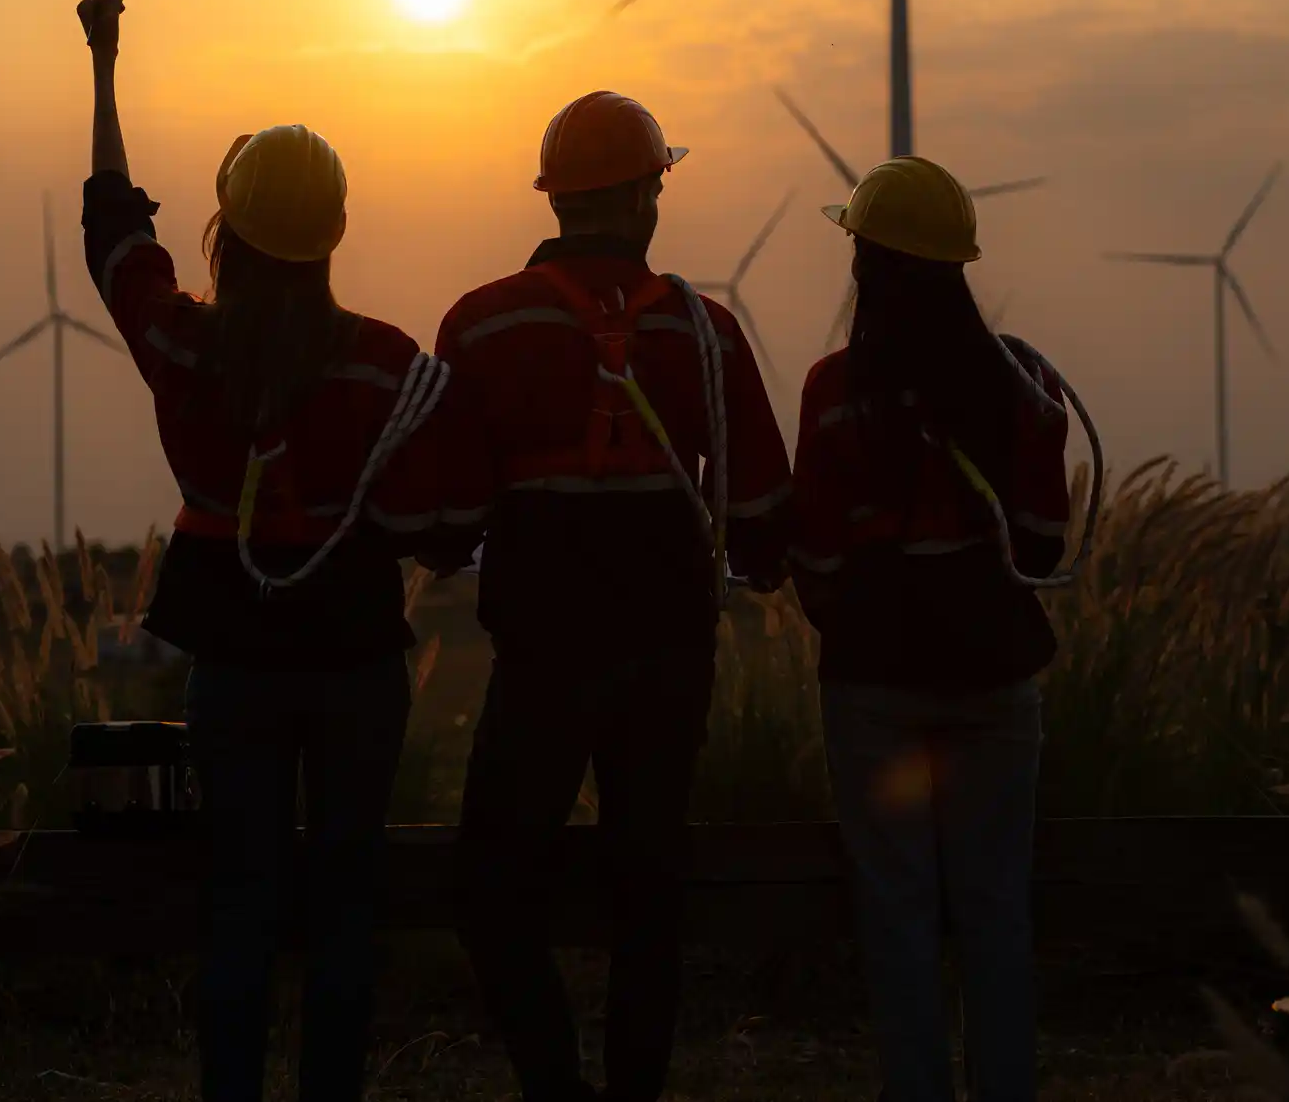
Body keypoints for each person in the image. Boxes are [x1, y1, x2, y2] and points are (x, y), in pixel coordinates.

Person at [76, 0, 450, 1102]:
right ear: (334, 232)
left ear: (228, 230)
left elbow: (113, 223)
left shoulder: (181, 345)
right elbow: (445, 516)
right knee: (344, 911)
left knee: (236, 911)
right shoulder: (393, 365)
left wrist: (103, 62)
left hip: (233, 666)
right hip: (356, 666)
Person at [428, 91, 793, 1102]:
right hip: (668, 661)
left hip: (540, 659)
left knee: (492, 892)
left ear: (555, 196)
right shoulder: (706, 331)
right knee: (650, 897)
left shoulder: (481, 324)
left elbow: (449, 519)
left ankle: (556, 1087)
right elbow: (762, 510)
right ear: (646, 193)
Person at [790, 156, 1073, 1102]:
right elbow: (1040, 545)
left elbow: (818, 562)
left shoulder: (834, 391)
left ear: (865, 265)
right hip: (995, 680)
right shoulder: (1025, 386)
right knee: (996, 912)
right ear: (960, 265)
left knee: (897, 914)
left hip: (872, 684)